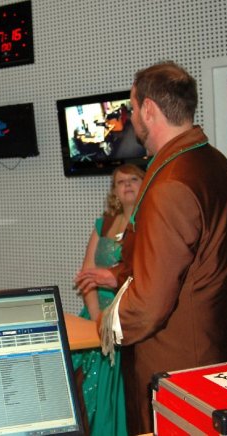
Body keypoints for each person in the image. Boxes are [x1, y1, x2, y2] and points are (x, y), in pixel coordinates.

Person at [100, 61, 227, 435]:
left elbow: (150, 306)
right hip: (217, 354)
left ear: (149, 109)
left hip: (179, 368)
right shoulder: (216, 163)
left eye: (133, 108)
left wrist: (108, 324)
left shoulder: (171, 182)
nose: (132, 118)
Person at [72, 163, 144, 436]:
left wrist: (109, 322)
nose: (127, 185)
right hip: (95, 316)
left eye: (133, 179)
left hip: (127, 317)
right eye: (120, 182)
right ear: (114, 190)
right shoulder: (103, 223)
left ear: (145, 183)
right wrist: (96, 319)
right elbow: (86, 275)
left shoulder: (149, 222)